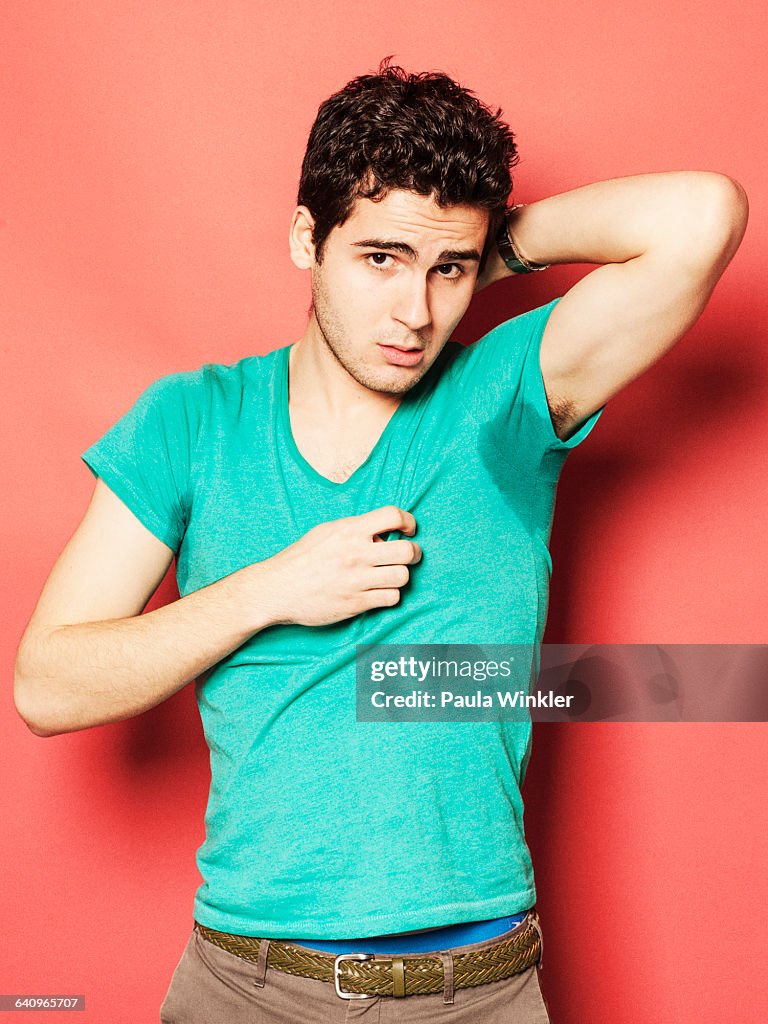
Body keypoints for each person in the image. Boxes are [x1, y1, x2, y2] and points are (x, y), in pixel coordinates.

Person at [13, 58, 748, 1023]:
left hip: (479, 992)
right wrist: (273, 588)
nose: (416, 313)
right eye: (381, 258)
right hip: (247, 986)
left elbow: (703, 216)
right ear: (305, 241)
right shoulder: (193, 421)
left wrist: (501, 245)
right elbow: (47, 685)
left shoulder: (506, 398)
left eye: (447, 269)